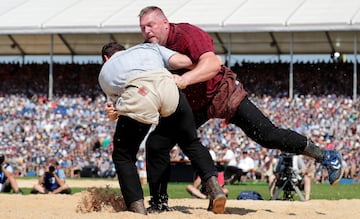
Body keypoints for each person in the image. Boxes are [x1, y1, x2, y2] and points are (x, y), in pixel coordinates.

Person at [132, 5, 343, 211]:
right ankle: (160, 203)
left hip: (224, 93)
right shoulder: (149, 49)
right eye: (142, 27)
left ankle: (325, 156)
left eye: (150, 25)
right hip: (194, 105)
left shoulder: (187, 34)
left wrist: (186, 78)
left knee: (267, 135)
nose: (146, 31)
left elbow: (213, 64)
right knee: (157, 143)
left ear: (165, 23)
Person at [99, 42, 226, 215]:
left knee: (123, 155)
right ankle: (214, 188)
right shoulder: (148, 48)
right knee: (190, 141)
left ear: (106, 58)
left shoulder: (106, 70)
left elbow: (118, 108)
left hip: (140, 92)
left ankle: (137, 208)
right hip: (169, 87)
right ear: (125, 50)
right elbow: (185, 61)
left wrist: (114, 113)